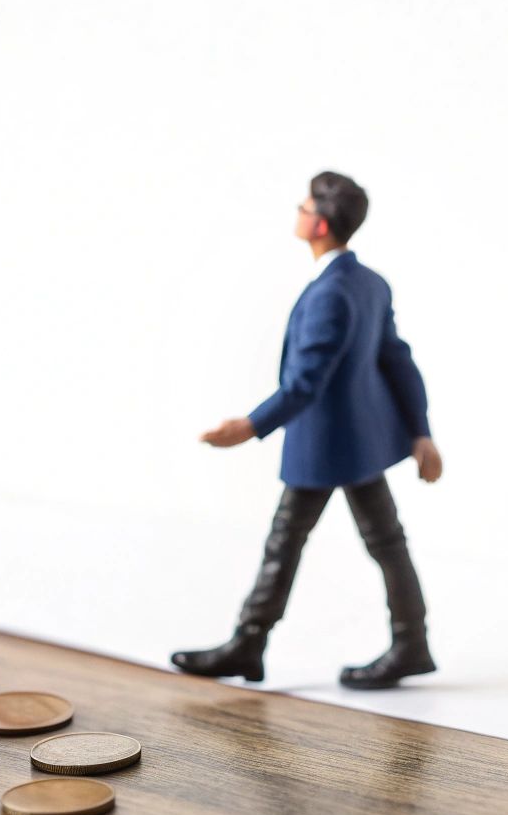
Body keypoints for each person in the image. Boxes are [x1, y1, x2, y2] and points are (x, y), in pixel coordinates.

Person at [172, 170, 442, 690]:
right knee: (381, 541)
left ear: (319, 223)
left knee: (291, 541)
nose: (297, 211)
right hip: (358, 443)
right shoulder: (369, 283)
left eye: (302, 206)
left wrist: (250, 426)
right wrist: (419, 431)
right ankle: (409, 641)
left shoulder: (330, 294)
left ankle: (252, 642)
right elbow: (398, 361)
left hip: (327, 445)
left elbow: (305, 384)